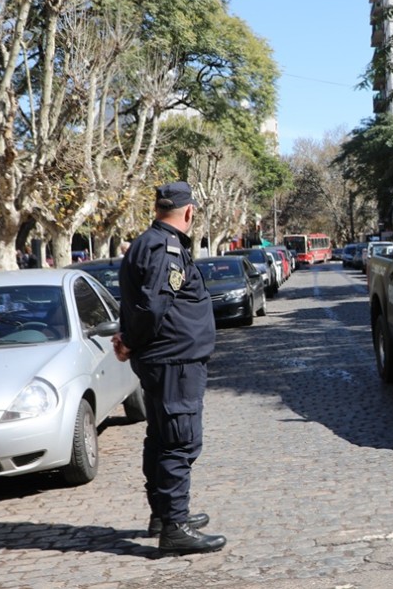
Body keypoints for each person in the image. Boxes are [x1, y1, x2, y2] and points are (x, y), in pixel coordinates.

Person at [113, 181, 226, 556]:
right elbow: (152, 307)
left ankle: (165, 514)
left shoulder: (147, 241)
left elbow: (139, 304)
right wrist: (129, 340)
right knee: (179, 440)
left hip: (167, 360)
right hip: (173, 361)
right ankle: (174, 526)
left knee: (162, 437)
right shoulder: (166, 248)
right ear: (189, 212)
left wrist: (129, 337)